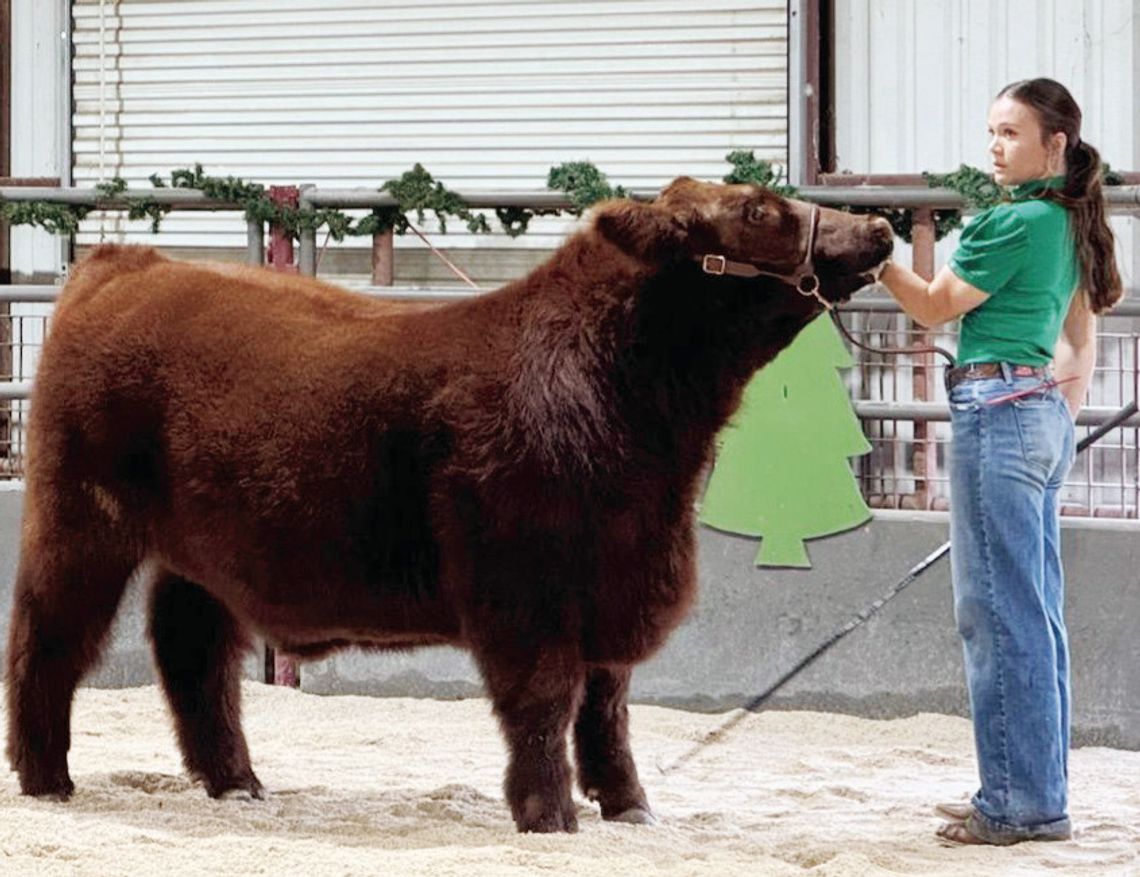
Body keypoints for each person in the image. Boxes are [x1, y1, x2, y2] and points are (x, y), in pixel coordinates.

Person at [874, 78, 1123, 845]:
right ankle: (1027, 790)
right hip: (1038, 414)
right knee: (1033, 613)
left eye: (1010, 133)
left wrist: (879, 251)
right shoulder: (1069, 222)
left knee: (996, 614)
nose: (994, 146)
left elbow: (931, 305)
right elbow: (1081, 340)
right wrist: (1052, 411)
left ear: (1056, 143)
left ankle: (1019, 805)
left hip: (998, 411)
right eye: (992, 132)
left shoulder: (1014, 222)